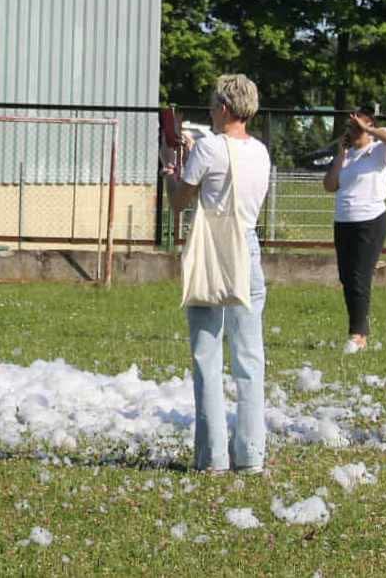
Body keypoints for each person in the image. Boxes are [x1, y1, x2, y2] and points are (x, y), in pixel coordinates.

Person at [167, 74, 272, 474]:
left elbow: (180, 200)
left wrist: (170, 171)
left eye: (213, 105)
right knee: (249, 357)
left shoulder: (209, 147)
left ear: (225, 108)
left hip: (213, 253)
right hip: (248, 249)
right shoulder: (260, 151)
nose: (210, 111)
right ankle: (251, 455)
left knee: (207, 354)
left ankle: (212, 456)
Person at [322, 107, 386, 353]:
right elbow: (330, 185)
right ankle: (358, 329)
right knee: (347, 277)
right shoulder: (347, 155)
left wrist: (368, 129)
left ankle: (357, 335)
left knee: (360, 276)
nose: (353, 129)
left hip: (370, 221)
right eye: (350, 126)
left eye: (357, 126)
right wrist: (340, 154)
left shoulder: (378, 150)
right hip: (344, 221)